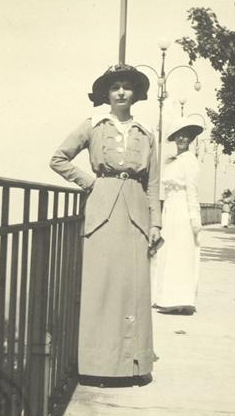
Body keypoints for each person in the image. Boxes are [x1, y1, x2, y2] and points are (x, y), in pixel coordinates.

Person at [49, 64, 161, 387]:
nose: (122, 92)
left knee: (132, 289)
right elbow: (59, 158)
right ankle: (96, 366)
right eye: (116, 88)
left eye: (127, 87)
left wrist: (156, 223)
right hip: (101, 213)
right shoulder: (93, 125)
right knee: (100, 288)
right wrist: (89, 183)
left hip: (137, 215)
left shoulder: (146, 132)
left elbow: (153, 182)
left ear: (136, 94)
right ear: (107, 94)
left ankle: (134, 366)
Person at [153, 116, 203, 315]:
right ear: (174, 139)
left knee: (180, 252)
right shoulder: (173, 161)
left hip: (182, 209)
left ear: (190, 140)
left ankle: (179, 299)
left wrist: (194, 220)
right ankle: (165, 297)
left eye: (186, 137)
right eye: (178, 136)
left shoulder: (190, 161)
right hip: (170, 209)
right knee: (168, 250)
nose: (182, 139)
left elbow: (192, 191)